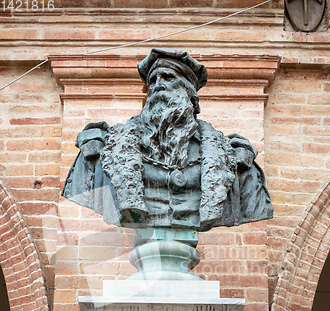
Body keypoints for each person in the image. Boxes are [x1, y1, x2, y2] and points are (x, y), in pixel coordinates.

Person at [62, 48, 273, 231]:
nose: (157, 86)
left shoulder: (232, 160)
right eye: (152, 80)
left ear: (190, 94)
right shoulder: (104, 152)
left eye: (168, 78)